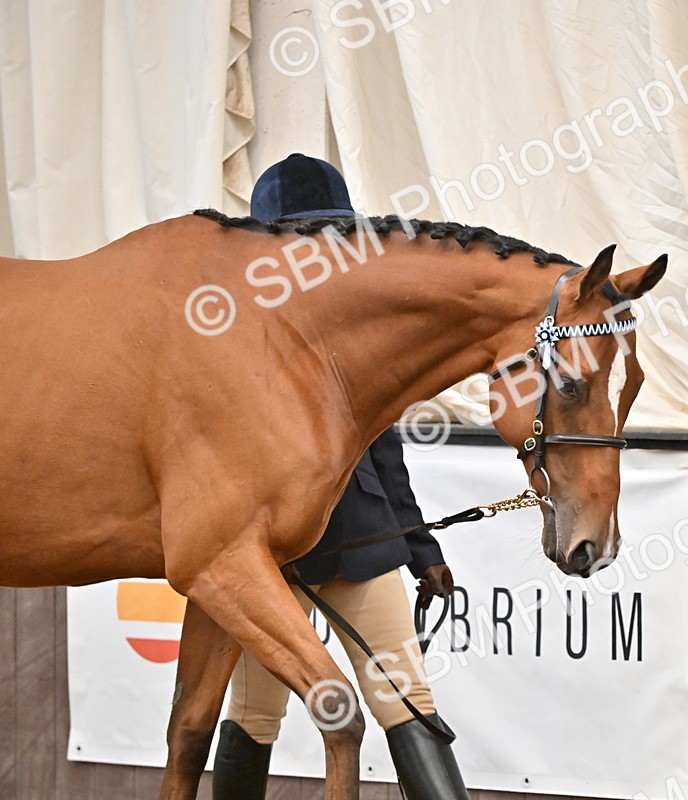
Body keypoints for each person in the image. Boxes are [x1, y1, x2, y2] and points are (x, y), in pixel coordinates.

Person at [212, 153, 470, 800]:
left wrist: (423, 551)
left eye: (329, 233)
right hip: (272, 563)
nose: (317, 248)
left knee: (409, 702)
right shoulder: (229, 337)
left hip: (363, 540)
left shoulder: (359, 330)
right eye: (303, 234)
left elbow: (386, 456)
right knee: (255, 714)